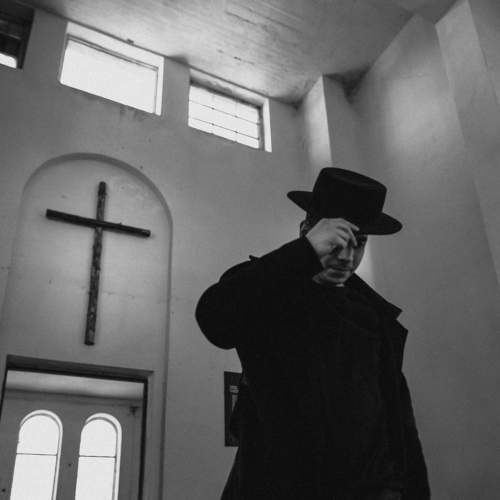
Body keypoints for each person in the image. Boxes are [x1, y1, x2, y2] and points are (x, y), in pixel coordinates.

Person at [195, 168, 430, 500]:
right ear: (307, 231)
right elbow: (215, 319)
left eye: (359, 242)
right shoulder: (269, 289)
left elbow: (399, 425)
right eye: (336, 238)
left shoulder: (376, 317)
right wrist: (302, 253)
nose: (347, 255)